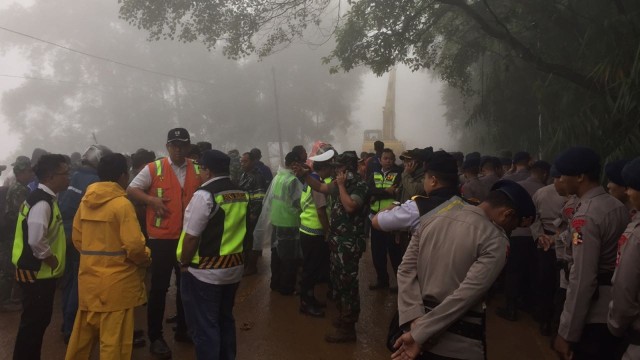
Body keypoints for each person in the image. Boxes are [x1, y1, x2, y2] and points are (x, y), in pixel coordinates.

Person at [392, 180, 536, 360]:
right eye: (513, 226)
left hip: (412, 334)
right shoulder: (495, 240)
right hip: (458, 344)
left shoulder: (431, 218)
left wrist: (414, 321)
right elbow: (467, 294)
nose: (510, 231)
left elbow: (405, 270)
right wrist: (421, 334)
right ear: (508, 214)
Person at [64, 153, 151, 360]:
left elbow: (77, 239)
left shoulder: (86, 201)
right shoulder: (121, 205)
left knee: (81, 342)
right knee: (115, 345)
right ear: (123, 176)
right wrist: (147, 256)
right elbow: (135, 247)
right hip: (117, 287)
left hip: (89, 282)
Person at [127, 128, 202, 358]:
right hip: (161, 240)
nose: (178, 149)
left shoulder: (198, 168)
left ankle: (182, 329)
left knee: (185, 287)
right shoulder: (154, 168)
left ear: (188, 146)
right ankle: (156, 337)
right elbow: (131, 190)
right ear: (168, 146)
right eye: (174, 145)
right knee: (159, 289)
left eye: (182, 145)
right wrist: (151, 200)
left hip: (188, 238)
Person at [552, 147, 629, 360]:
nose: (560, 180)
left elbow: (583, 277)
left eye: (563, 175)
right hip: (614, 306)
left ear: (579, 177)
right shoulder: (616, 205)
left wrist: (567, 332)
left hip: (592, 313)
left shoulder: (585, 217)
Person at [177, 149, 249, 360]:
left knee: (205, 326)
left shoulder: (204, 195)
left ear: (207, 170)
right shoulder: (240, 192)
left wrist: (184, 262)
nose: (199, 172)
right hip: (233, 268)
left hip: (205, 272)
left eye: (200, 168)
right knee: (225, 319)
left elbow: (191, 237)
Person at [294, 150, 369, 343]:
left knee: (348, 285)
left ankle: (348, 327)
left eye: (338, 167)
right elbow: (320, 187)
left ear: (346, 168)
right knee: (338, 283)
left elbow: (351, 206)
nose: (335, 170)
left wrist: (342, 186)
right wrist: (305, 174)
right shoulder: (339, 183)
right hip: (338, 242)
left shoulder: (358, 185)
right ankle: (343, 317)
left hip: (350, 243)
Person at [12, 154, 70, 359]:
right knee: (33, 324)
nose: (68, 177)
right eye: (65, 173)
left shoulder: (44, 197)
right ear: (51, 176)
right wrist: (51, 259)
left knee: (36, 323)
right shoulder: (42, 203)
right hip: (36, 272)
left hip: (38, 272)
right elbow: (36, 240)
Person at [58, 144, 112, 343]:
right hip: (80, 234)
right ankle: (72, 329)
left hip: (64, 233)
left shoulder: (72, 176)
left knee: (70, 281)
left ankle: (66, 324)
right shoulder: (95, 181)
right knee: (79, 283)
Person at [497, 160, 550, 321]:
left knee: (513, 272)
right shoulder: (546, 190)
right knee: (533, 272)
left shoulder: (516, 187)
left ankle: (511, 308)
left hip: (516, 234)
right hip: (540, 239)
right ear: (545, 174)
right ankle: (530, 305)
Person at [371, 151, 463, 239]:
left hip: (408, 224)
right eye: (404, 160)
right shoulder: (471, 206)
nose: (405, 163)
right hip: (402, 226)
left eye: (408, 161)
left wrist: (391, 206)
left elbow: (376, 221)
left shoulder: (417, 206)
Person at [608, 157, 640, 359]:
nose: (627, 193)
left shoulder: (636, 236)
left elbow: (624, 288)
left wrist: (615, 325)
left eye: (631, 187)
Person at [529, 164, 566, 336]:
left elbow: (533, 217)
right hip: (564, 243)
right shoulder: (573, 196)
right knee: (561, 284)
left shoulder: (541, 193)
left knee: (544, 281)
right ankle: (555, 322)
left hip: (545, 242)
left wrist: (539, 236)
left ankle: (543, 319)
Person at [298, 152, 334, 317]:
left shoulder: (311, 179)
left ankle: (310, 299)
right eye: (331, 167)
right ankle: (306, 302)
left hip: (307, 229)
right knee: (310, 270)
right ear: (325, 168)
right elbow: (320, 211)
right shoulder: (317, 183)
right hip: (315, 231)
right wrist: (327, 232)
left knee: (310, 267)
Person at [265, 152, 303, 295]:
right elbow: (300, 202)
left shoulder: (278, 177)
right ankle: (287, 288)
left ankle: (275, 283)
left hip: (276, 221)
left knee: (276, 255)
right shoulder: (292, 180)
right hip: (289, 223)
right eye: (299, 163)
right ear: (294, 163)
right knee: (289, 258)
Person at [1, 156, 33, 311]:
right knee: (8, 268)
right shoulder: (19, 189)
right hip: (13, 233)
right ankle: (4, 301)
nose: (31, 175)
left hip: (14, 232)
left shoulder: (20, 187)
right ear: (20, 173)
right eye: (28, 172)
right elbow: (22, 214)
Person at [368, 148, 402, 291]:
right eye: (385, 158)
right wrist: (385, 192)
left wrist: (377, 194)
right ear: (380, 160)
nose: (388, 161)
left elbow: (396, 194)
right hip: (375, 217)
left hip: (391, 218)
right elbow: (368, 191)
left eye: (390, 159)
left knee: (394, 253)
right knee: (377, 252)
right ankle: (382, 280)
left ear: (393, 160)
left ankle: (401, 284)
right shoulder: (373, 174)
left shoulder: (398, 175)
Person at [238, 151, 267, 275]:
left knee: (253, 240)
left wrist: (254, 214)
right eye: (241, 161)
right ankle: (245, 265)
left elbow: (259, 197)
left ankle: (252, 266)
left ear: (252, 162)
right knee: (246, 240)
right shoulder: (243, 175)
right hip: (244, 212)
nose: (242, 164)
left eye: (245, 161)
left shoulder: (257, 176)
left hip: (253, 214)